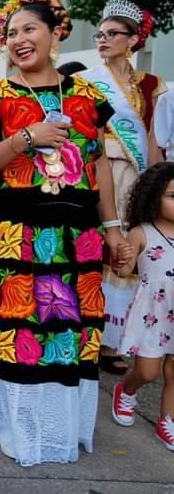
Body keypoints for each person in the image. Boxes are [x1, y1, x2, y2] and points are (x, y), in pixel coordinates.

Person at [0, 0, 123, 466]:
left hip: (75, 233)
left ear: (55, 34)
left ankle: (56, 430)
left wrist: (112, 226)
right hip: (13, 234)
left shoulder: (89, 97)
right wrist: (28, 138)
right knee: (19, 330)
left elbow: (100, 167)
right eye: (11, 34)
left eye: (30, 30)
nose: (20, 40)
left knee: (66, 330)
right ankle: (17, 429)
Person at [80, 0, 165, 374]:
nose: (103, 39)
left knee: (128, 249)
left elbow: (151, 136)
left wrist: (158, 182)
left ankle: (112, 342)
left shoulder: (152, 85)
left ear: (132, 40)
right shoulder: (86, 81)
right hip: (100, 169)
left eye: (112, 34)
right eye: (99, 33)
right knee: (95, 244)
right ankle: (87, 331)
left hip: (136, 175)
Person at [109, 162, 174, 450]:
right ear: (154, 198)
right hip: (154, 314)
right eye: (172, 196)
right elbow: (125, 272)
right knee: (149, 372)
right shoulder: (142, 232)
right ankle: (127, 388)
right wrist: (120, 259)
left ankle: (168, 421)